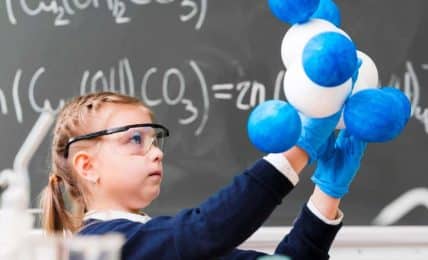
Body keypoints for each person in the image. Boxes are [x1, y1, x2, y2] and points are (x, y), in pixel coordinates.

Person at [40, 91, 366, 260]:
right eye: (135, 139)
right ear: (87, 166)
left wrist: (327, 193)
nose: (157, 152)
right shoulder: (102, 245)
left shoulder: (156, 241)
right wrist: (300, 148)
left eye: (155, 141)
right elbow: (206, 229)